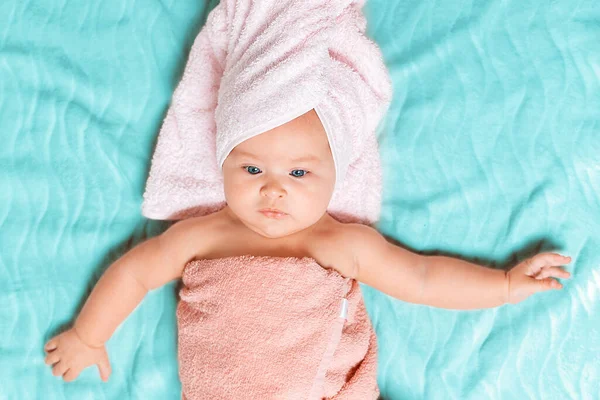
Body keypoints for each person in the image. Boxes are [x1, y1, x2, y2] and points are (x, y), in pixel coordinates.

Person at [43, 108, 572, 385]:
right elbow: (134, 273)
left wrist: (502, 286)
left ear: (335, 177)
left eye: (299, 172)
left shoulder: (338, 241)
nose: (273, 189)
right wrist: (90, 336)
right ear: (222, 167)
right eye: (251, 169)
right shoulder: (200, 234)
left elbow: (423, 279)